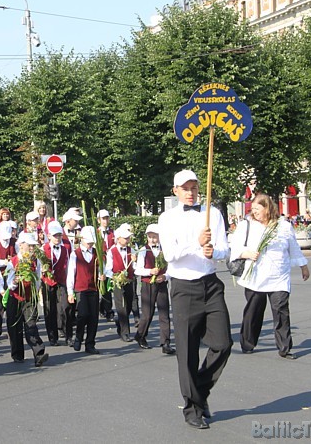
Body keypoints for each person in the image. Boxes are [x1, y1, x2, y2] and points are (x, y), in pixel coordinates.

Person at [158, 170, 232, 430]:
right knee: (187, 351)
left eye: (194, 187)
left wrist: (214, 250)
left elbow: (225, 248)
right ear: (175, 190)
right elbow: (170, 254)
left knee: (223, 343)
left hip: (211, 284)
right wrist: (196, 243)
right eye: (185, 188)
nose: (190, 192)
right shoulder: (167, 218)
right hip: (183, 287)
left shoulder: (212, 213)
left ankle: (199, 391)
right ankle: (192, 407)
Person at [230, 194, 310, 360]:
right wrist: (247, 253)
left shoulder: (284, 226)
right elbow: (235, 247)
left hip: (279, 276)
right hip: (255, 277)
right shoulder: (247, 225)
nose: (255, 212)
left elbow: (293, 247)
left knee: (281, 311)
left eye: (258, 209)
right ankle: (248, 343)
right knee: (254, 311)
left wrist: (304, 266)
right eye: (253, 209)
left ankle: (284, 347)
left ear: (268, 208)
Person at [5, 232, 49, 367]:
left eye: (33, 246)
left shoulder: (35, 260)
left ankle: (39, 352)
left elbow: (37, 278)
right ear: (21, 245)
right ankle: (17, 354)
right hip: (15, 297)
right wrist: (15, 281)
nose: (31, 248)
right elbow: (9, 282)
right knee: (14, 327)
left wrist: (35, 291)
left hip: (30, 298)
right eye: (29, 245)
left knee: (31, 325)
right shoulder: (13, 261)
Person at [133, 224, 174, 354]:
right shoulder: (143, 250)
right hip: (147, 284)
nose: (152, 240)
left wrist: (165, 276)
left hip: (161, 284)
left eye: (154, 237)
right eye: (150, 237)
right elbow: (137, 269)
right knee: (147, 313)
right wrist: (150, 271)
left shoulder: (165, 250)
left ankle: (165, 342)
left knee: (164, 313)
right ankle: (140, 335)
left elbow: (171, 268)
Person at [66, 226, 103, 355]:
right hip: (80, 288)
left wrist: (102, 276)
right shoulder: (75, 254)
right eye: (88, 242)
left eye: (92, 242)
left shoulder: (96, 254)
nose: (90, 245)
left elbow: (101, 270)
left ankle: (90, 343)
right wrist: (70, 292)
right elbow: (71, 273)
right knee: (82, 315)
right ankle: (78, 337)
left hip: (93, 288)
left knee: (93, 317)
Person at [40, 221, 71, 346]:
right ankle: (52, 336)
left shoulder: (65, 249)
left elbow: (68, 266)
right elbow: (39, 266)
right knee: (50, 309)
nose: (57, 238)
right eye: (55, 236)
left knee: (65, 307)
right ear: (49, 236)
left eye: (59, 235)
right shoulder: (43, 249)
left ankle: (68, 335)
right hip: (48, 282)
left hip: (61, 281)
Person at [104, 225, 137, 342]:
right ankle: (125, 332)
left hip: (129, 280)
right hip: (117, 281)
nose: (127, 240)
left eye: (128, 238)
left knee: (128, 305)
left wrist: (135, 261)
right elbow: (108, 268)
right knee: (121, 306)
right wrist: (113, 276)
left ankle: (120, 321)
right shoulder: (111, 251)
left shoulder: (131, 250)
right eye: (125, 238)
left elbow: (135, 268)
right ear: (118, 239)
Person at [96, 209, 115, 322]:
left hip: (110, 261)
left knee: (108, 286)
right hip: (101, 262)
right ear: (99, 220)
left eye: (107, 218)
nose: (105, 220)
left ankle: (108, 310)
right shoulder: (96, 232)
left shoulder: (113, 232)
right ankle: (103, 307)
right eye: (103, 218)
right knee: (102, 285)